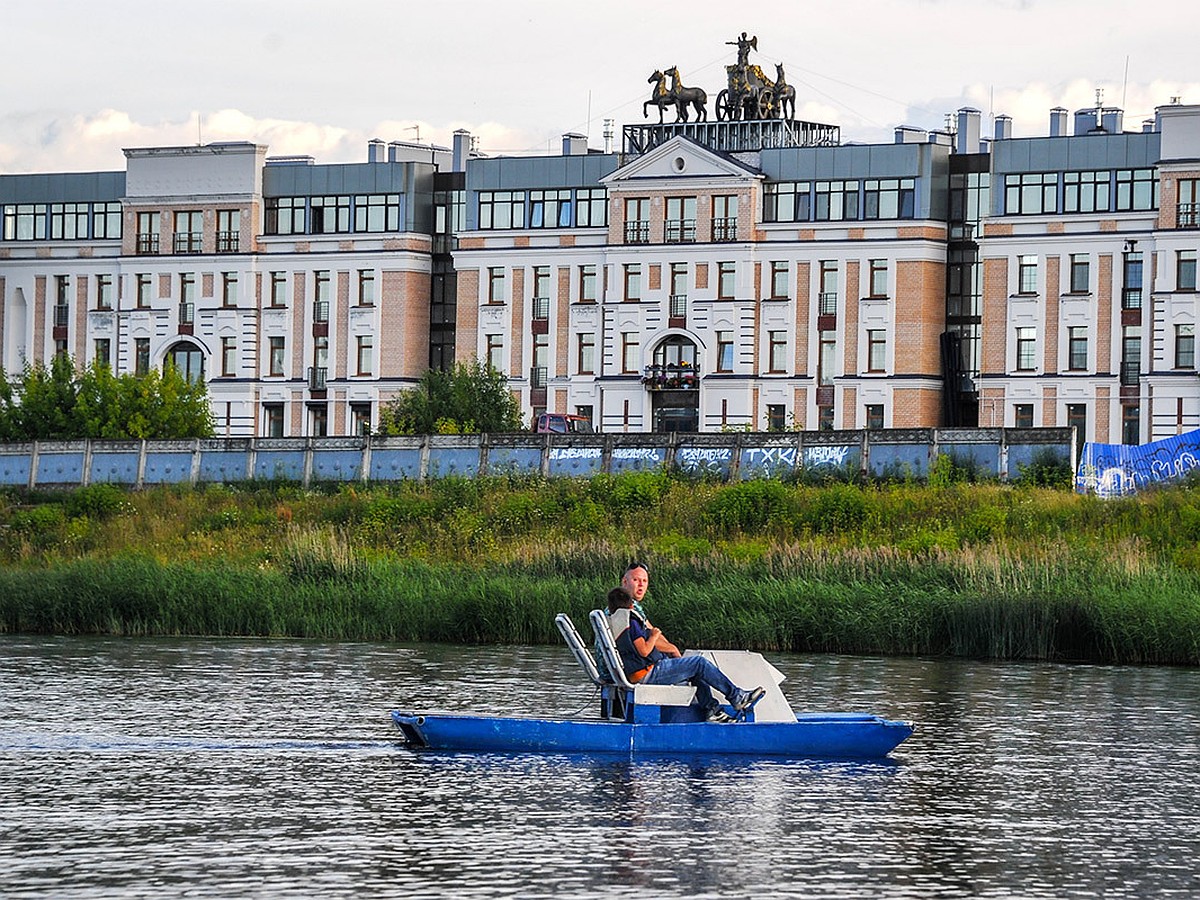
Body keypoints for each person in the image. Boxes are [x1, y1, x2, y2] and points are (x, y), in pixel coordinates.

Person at [606, 587, 764, 723]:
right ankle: (737, 697)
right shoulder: (632, 622)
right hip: (649, 673)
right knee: (698, 663)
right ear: (631, 605)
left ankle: (712, 711)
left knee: (693, 669)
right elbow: (644, 651)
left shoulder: (618, 622)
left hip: (642, 673)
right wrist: (654, 635)